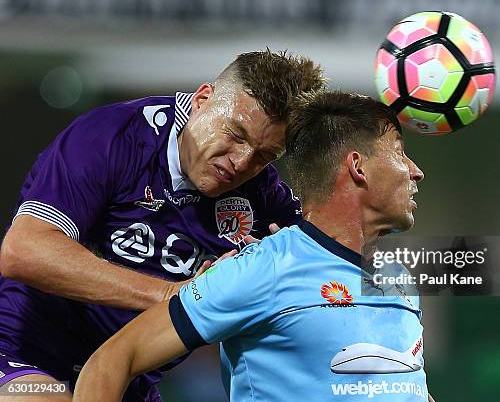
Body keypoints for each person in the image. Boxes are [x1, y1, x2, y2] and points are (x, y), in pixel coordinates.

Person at [0, 50, 325, 401]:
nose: (241, 162)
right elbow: (24, 252)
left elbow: (337, 273)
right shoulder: (111, 137)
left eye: (263, 156)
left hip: (130, 383)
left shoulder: (264, 198)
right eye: (235, 134)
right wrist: (178, 295)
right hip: (24, 354)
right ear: (202, 100)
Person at [72, 91, 430, 401]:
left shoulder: (399, 277)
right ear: (358, 167)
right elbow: (112, 361)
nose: (416, 171)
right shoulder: (263, 268)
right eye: (399, 153)